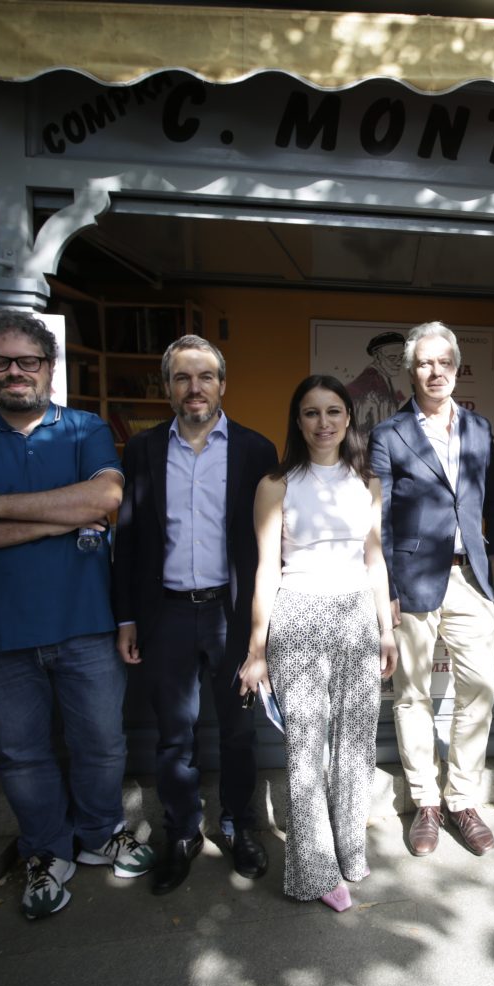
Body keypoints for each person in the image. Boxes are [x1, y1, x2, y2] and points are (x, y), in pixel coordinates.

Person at [0, 311, 152, 921]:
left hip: (85, 623)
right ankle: (46, 851)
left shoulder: (84, 429)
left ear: (49, 366)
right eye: (0, 361)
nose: (14, 371)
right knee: (21, 754)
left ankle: (100, 833)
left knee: (102, 744)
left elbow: (106, 497)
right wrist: (56, 519)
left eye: (28, 361)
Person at [112, 335, 279, 894]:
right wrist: (127, 617)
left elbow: (271, 544)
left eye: (205, 376)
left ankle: (238, 826)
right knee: (173, 736)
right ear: (167, 388)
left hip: (231, 614)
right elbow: (129, 539)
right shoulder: (142, 450)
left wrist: (264, 628)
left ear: (222, 384)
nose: (195, 388)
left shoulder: (255, 451)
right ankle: (182, 832)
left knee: (238, 731)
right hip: (167, 615)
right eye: (182, 378)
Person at [236, 375, 397, 912]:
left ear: (349, 418)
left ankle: (348, 850)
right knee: (306, 749)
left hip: (357, 616)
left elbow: (374, 559)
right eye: (311, 412)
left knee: (356, 744)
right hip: (298, 616)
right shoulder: (276, 484)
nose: (323, 423)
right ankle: (314, 871)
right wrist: (257, 650)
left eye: (333, 411)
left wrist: (386, 629)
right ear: (297, 421)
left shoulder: (367, 482)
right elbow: (266, 569)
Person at [370, 322, 494, 857]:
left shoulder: (478, 428)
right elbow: (379, 519)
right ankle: (426, 801)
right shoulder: (389, 434)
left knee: (480, 686)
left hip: (469, 575)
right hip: (411, 579)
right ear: (411, 371)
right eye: (424, 363)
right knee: (411, 694)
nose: (435, 372)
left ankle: (463, 799)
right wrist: (386, 587)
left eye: (444, 362)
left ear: (456, 367)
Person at [347, 331, 408, 433]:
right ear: (377, 357)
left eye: (401, 357)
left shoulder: (383, 377)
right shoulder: (369, 383)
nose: (398, 363)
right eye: (392, 358)